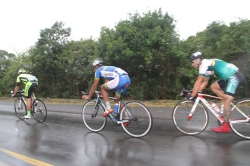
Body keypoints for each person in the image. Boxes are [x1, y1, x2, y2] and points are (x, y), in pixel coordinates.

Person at [186, 52, 245, 133]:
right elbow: (204, 83)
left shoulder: (204, 64)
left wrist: (192, 95)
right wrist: (195, 92)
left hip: (234, 76)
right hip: (228, 77)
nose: (192, 64)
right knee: (214, 87)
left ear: (197, 60)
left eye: (192, 62)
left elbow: (198, 81)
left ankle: (225, 126)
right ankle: (226, 104)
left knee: (227, 99)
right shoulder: (206, 68)